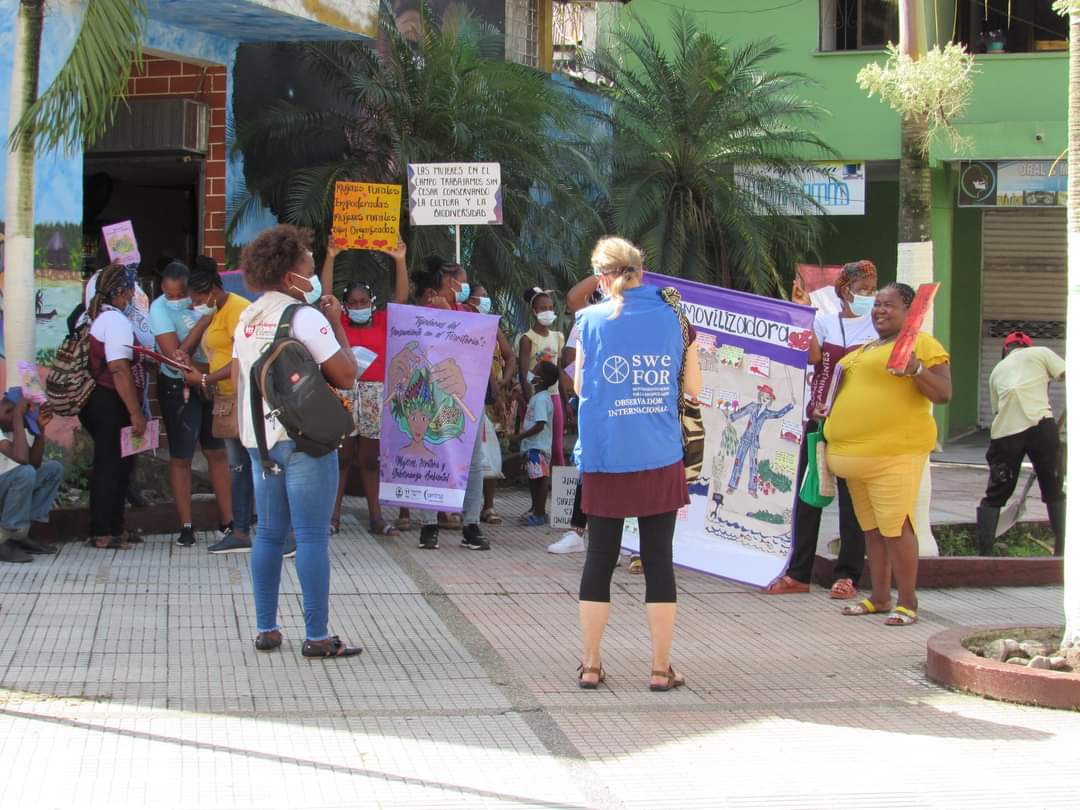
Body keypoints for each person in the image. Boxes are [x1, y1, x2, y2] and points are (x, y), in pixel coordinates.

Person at [574, 236, 701, 691]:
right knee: (659, 560)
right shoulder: (677, 318)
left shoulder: (586, 320)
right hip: (658, 454)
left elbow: (578, 388)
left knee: (599, 559)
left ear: (603, 277)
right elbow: (694, 389)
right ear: (641, 271)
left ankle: (591, 664)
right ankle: (660, 669)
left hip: (606, 455)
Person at [233, 224, 362, 658]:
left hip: (260, 440)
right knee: (310, 537)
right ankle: (318, 635)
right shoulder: (303, 316)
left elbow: (240, 379)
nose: (312, 269)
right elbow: (345, 374)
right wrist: (336, 324)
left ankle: (266, 629)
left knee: (268, 534)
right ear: (291, 274)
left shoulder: (246, 317)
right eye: (308, 261)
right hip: (305, 439)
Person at [827, 283, 952, 627]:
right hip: (854, 458)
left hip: (894, 454)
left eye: (889, 305)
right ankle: (880, 597)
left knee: (896, 528)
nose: (880, 310)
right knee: (873, 531)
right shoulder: (868, 347)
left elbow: (943, 393)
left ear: (910, 311)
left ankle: (908, 602)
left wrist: (916, 370)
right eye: (877, 304)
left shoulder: (920, 345)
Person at [763, 260, 879, 598]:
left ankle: (847, 576)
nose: (869, 297)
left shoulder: (878, 329)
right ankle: (798, 574)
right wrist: (802, 313)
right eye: (864, 290)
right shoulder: (826, 323)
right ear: (845, 290)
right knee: (809, 497)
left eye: (873, 291)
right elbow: (813, 356)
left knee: (852, 502)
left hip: (859, 427)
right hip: (822, 422)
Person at [319, 237, 410, 536]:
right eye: (353, 303)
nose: (358, 307)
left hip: (374, 394)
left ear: (372, 303)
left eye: (363, 302)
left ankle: (376, 517)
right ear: (345, 306)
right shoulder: (338, 323)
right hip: (343, 393)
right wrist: (331, 256)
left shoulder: (384, 321)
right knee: (342, 457)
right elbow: (325, 296)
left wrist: (399, 259)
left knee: (371, 459)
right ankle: (333, 516)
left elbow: (402, 297)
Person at [407, 256, 491, 551]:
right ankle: (429, 524)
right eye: (462, 281)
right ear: (447, 282)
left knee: (473, 461)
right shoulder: (424, 312)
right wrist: (442, 317)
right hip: (431, 396)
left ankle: (471, 524)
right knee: (431, 455)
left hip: (467, 396)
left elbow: (478, 348)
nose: (466, 286)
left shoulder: (468, 311)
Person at [149, 260, 232, 548]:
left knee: (217, 451)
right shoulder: (159, 310)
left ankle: (228, 522)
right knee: (182, 455)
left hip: (211, 379)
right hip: (178, 385)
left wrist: (204, 371)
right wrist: (202, 323)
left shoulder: (205, 301)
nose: (175, 300)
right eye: (169, 295)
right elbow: (175, 357)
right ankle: (186, 526)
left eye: (180, 295)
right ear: (162, 289)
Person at [178, 259, 256, 554]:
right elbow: (218, 359)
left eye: (198, 300)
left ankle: (243, 528)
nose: (196, 305)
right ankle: (240, 530)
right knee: (237, 466)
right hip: (225, 397)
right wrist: (192, 366)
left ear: (212, 290)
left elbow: (240, 359)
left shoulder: (237, 309)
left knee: (245, 465)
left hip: (243, 395)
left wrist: (206, 377)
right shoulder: (217, 311)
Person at [977, 331, 1066, 555]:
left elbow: (997, 409)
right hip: (1041, 428)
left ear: (1005, 349)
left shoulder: (997, 370)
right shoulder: (1041, 353)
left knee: (996, 492)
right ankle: (1063, 550)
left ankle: (984, 553)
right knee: (1053, 488)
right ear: (1027, 346)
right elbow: (1066, 374)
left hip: (1006, 433)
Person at [79, 264, 148, 550]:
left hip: (95, 400)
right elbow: (119, 369)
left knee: (115, 463)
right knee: (112, 466)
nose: (133, 294)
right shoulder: (115, 321)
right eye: (131, 289)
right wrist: (135, 412)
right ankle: (104, 531)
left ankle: (113, 526)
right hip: (110, 400)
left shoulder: (88, 316)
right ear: (122, 293)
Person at [466, 283, 515, 525]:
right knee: (469, 454)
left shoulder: (492, 325)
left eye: (488, 295)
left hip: (493, 396)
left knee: (492, 452)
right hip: (473, 394)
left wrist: (504, 381)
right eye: (482, 296)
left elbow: (509, 356)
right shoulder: (464, 322)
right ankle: (466, 505)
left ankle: (489, 505)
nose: (486, 300)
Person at [0, 391, 63, 563]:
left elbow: (34, 464)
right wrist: (18, 418)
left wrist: (40, 429)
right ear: (7, 412)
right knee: (24, 473)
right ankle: (4, 539)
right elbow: (22, 460)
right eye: (23, 415)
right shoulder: (12, 425)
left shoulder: (13, 428)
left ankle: (21, 536)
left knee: (53, 469)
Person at [518, 288, 567, 470]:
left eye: (550, 307)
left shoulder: (558, 337)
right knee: (537, 443)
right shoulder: (527, 339)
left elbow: (559, 370)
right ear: (534, 311)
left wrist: (565, 401)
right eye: (543, 308)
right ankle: (538, 478)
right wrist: (530, 399)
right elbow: (523, 373)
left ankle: (558, 486)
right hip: (536, 397)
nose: (547, 311)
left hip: (553, 396)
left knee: (556, 443)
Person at [513, 360, 559, 526]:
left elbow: (540, 424)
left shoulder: (541, 399)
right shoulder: (538, 398)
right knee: (534, 479)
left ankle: (539, 513)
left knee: (540, 480)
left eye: (535, 370)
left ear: (540, 379)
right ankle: (536, 509)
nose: (531, 372)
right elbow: (532, 415)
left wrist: (520, 436)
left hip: (537, 446)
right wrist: (520, 401)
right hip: (534, 446)